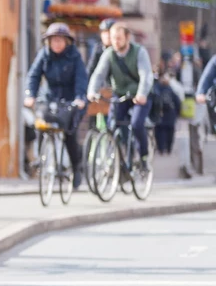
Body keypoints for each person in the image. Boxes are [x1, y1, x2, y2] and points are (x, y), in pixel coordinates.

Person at [25, 23, 89, 187]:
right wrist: (30, 95)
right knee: (41, 124)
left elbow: (81, 79)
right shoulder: (44, 55)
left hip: (70, 99)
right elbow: (34, 75)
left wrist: (80, 98)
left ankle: (76, 168)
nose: (57, 44)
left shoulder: (74, 56)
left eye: (60, 40)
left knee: (69, 135)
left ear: (67, 42)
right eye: (53, 40)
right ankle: (41, 158)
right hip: (49, 97)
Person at [88, 22, 155, 169]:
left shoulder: (139, 52)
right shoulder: (109, 54)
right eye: (113, 38)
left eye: (119, 38)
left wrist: (142, 94)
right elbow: (98, 74)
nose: (115, 42)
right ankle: (123, 156)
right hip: (120, 95)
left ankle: (143, 156)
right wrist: (92, 91)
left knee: (137, 124)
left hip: (139, 96)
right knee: (112, 125)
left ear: (127, 37)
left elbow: (146, 75)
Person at [151, 58, 181, 155]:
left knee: (159, 132)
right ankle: (168, 149)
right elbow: (177, 101)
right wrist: (177, 113)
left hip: (159, 114)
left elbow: (152, 100)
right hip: (170, 114)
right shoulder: (170, 88)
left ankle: (161, 149)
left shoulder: (156, 88)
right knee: (170, 132)